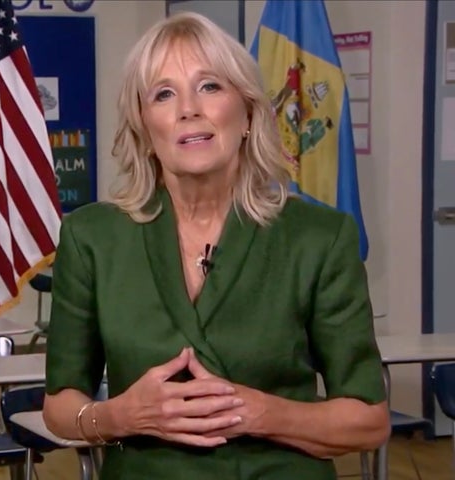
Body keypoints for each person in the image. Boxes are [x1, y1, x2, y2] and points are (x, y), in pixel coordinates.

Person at [42, 11, 389, 480]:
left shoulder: (319, 237)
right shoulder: (92, 238)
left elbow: (368, 422)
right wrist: (122, 415)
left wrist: (260, 413)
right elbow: (61, 406)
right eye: (164, 94)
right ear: (144, 127)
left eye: (209, 86)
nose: (189, 108)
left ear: (247, 112)